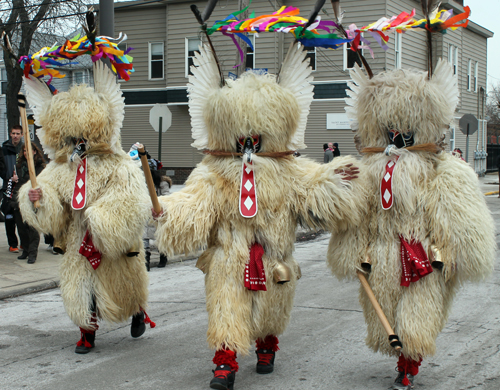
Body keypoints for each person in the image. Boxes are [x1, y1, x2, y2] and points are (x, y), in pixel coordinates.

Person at [153, 43, 362, 390]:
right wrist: (166, 210)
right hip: (227, 259)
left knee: (269, 312)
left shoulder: (290, 169)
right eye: (241, 132)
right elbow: (193, 203)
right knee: (226, 310)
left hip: (275, 259)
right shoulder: (212, 171)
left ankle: (267, 346)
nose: (248, 140)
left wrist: (335, 181)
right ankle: (224, 364)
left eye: (256, 132)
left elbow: (313, 193)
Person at [328, 60, 495, 390]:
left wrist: (458, 250)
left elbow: (458, 214)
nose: (395, 138)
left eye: (402, 130)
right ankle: (403, 361)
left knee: (418, 317)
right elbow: (358, 216)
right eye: (389, 129)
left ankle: (408, 367)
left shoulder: (441, 170)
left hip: (423, 256)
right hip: (381, 257)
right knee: (386, 316)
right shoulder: (368, 170)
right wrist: (350, 247)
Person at [11, 144, 45, 263]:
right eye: (24, 151)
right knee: (21, 228)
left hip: (32, 198)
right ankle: (25, 249)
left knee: (33, 228)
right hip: (19, 198)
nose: (26, 153)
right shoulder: (20, 165)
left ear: (35, 152)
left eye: (29, 151)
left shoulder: (40, 166)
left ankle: (32, 253)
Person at [143, 162, 171, 269]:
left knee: (160, 235)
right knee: (144, 236)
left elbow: (166, 196)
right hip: (145, 213)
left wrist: (159, 205)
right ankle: (146, 260)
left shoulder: (162, 183)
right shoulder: (141, 182)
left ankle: (163, 256)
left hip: (157, 213)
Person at [1, 125, 23, 253]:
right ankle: (12, 244)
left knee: (22, 217)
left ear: (21, 135)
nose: (15, 136)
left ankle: (24, 243)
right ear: (10, 134)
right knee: (9, 217)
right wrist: (9, 177)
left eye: (18, 133)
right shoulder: (4, 149)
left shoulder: (24, 149)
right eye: (13, 133)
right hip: (8, 187)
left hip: (21, 187)